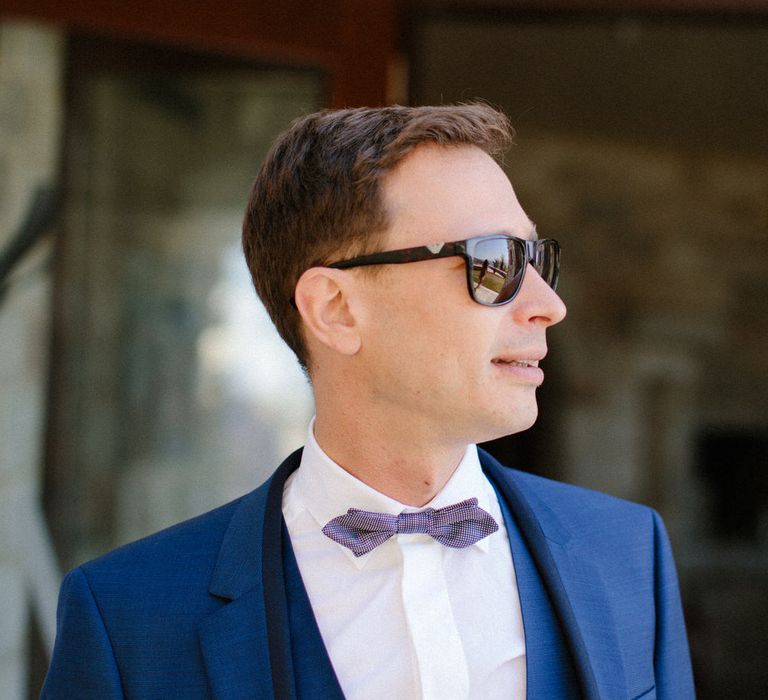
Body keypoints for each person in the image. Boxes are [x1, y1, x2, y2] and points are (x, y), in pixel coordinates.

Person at [42, 104, 695, 699]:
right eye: (493, 263)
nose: (549, 306)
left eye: (536, 259)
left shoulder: (629, 556)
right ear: (337, 309)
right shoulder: (129, 622)